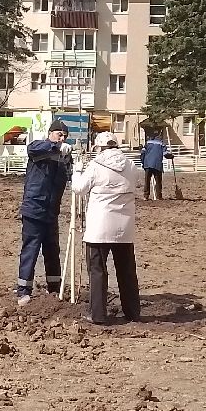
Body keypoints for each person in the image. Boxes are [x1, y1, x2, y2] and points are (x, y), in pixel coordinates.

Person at [73, 131, 140, 325]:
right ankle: (132, 312)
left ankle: (98, 314)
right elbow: (136, 181)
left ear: (99, 148)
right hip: (124, 227)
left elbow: (79, 189)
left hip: (99, 227)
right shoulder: (131, 165)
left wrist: (77, 171)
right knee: (127, 271)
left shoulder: (96, 166)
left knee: (97, 270)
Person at [16, 119, 73, 306]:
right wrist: (55, 146)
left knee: (52, 250)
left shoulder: (64, 155)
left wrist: (74, 166)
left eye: (65, 136)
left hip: (52, 210)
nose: (62, 138)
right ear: (50, 134)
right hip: (34, 208)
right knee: (31, 249)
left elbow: (71, 177)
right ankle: (23, 290)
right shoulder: (40, 148)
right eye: (59, 134)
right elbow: (32, 148)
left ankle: (54, 288)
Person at [140, 129, 173, 200]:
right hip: (157, 165)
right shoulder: (162, 144)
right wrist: (171, 156)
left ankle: (146, 196)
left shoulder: (147, 143)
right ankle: (159, 196)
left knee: (147, 181)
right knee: (158, 181)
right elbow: (165, 154)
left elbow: (142, 153)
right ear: (159, 135)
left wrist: (143, 163)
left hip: (147, 164)